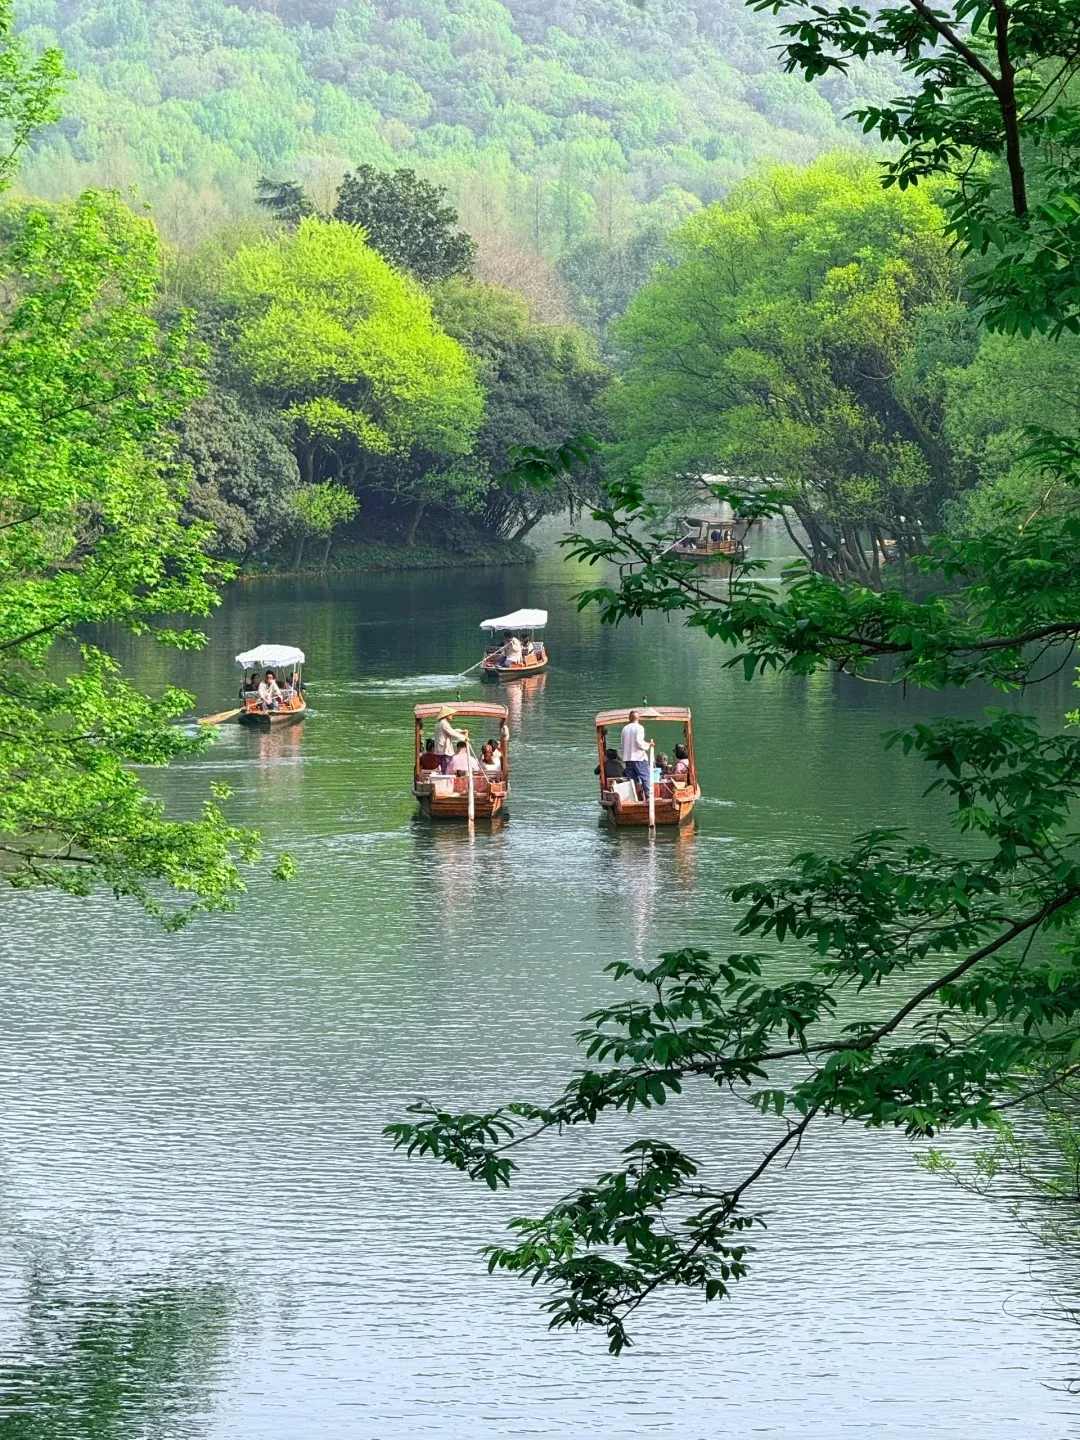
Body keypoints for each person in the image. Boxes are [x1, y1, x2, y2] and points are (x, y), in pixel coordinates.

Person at [619, 709, 652, 798]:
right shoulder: (639, 728)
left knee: (631, 780)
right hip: (639, 758)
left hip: (628, 758)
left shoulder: (624, 729)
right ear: (638, 718)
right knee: (645, 777)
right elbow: (639, 742)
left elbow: (622, 743)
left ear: (629, 718)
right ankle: (649, 797)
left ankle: (633, 797)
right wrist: (649, 745)